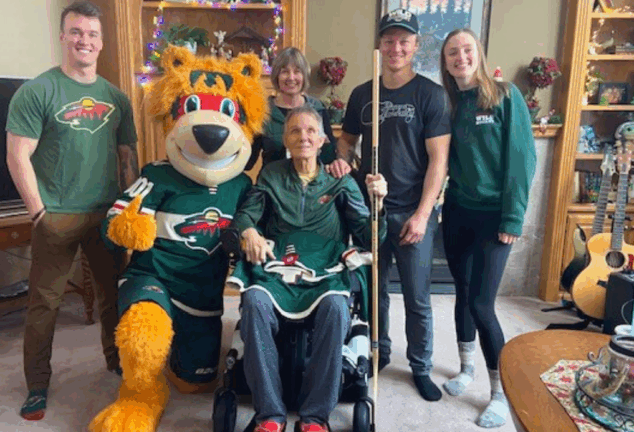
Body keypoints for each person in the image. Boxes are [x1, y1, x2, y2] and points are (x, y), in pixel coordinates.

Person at [5, 1, 138, 421]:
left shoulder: (116, 98)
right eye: (77, 32)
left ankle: (115, 360)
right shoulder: (37, 91)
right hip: (56, 215)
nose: (85, 40)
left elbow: (128, 156)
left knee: (113, 294)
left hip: (106, 214)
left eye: (92, 34)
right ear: (63, 37)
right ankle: (37, 384)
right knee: (44, 305)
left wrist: (130, 207)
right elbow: (17, 156)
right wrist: (38, 212)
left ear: (101, 42)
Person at [227, 105, 387, 432]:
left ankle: (315, 418)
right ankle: (269, 415)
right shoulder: (271, 174)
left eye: (311, 131)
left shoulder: (339, 180)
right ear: (285, 138)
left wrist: (379, 204)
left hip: (326, 268)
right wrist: (250, 232)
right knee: (254, 304)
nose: (304, 137)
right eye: (296, 131)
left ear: (323, 139)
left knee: (337, 306)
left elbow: (371, 236)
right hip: (277, 267)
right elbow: (246, 215)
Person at [327, 8, 451, 402]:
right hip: (371, 212)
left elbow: (439, 161)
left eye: (404, 40)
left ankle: (421, 367)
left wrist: (422, 214)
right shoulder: (363, 94)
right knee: (374, 291)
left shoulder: (430, 95)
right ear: (379, 45)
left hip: (412, 211)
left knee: (416, 297)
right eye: (388, 39)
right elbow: (345, 142)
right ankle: (379, 352)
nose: (395, 47)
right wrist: (344, 160)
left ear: (415, 45)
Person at [438, 28, 536, 428]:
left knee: (481, 303)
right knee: (461, 293)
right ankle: (465, 368)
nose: (460, 57)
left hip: (495, 218)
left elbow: (522, 158)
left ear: (477, 53)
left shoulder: (504, 95)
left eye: (466, 50)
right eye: (451, 53)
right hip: (458, 212)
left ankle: (499, 392)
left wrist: (513, 217)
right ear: (445, 62)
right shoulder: (449, 104)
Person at [246, 47, 337, 171]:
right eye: (285, 72)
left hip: (310, 185)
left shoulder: (318, 109)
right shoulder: (262, 111)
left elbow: (330, 158)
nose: (291, 77)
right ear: (276, 76)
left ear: (304, 76)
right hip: (272, 184)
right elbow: (248, 162)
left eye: (297, 71)